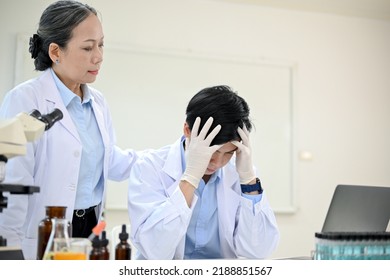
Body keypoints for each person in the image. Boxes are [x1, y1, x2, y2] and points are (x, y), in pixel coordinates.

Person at [0, 0, 144, 260]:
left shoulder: (97, 102)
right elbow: (14, 182)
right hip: (42, 234)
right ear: (56, 51)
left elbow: (108, 160)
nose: (98, 56)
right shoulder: (25, 99)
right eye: (88, 47)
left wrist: (175, 156)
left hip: (89, 229)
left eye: (101, 44)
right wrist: (9, 252)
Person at [128, 85, 280, 259]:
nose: (218, 162)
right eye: (211, 151)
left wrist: (249, 180)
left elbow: (258, 251)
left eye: (228, 153)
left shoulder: (240, 174)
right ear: (187, 130)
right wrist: (191, 177)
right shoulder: (149, 166)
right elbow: (155, 250)